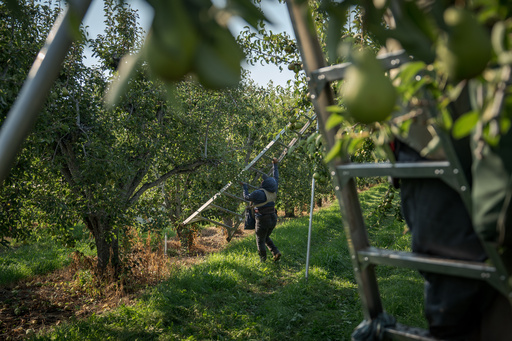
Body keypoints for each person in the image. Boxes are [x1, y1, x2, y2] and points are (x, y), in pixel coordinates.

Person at [241, 157, 281, 262]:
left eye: (263, 180)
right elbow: (276, 177)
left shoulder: (258, 193)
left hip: (263, 219)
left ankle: (263, 260)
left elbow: (246, 197)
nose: (262, 181)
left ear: (265, 184)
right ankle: (275, 252)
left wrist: (244, 186)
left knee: (260, 240)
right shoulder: (274, 189)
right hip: (273, 218)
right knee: (265, 237)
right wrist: (275, 165)